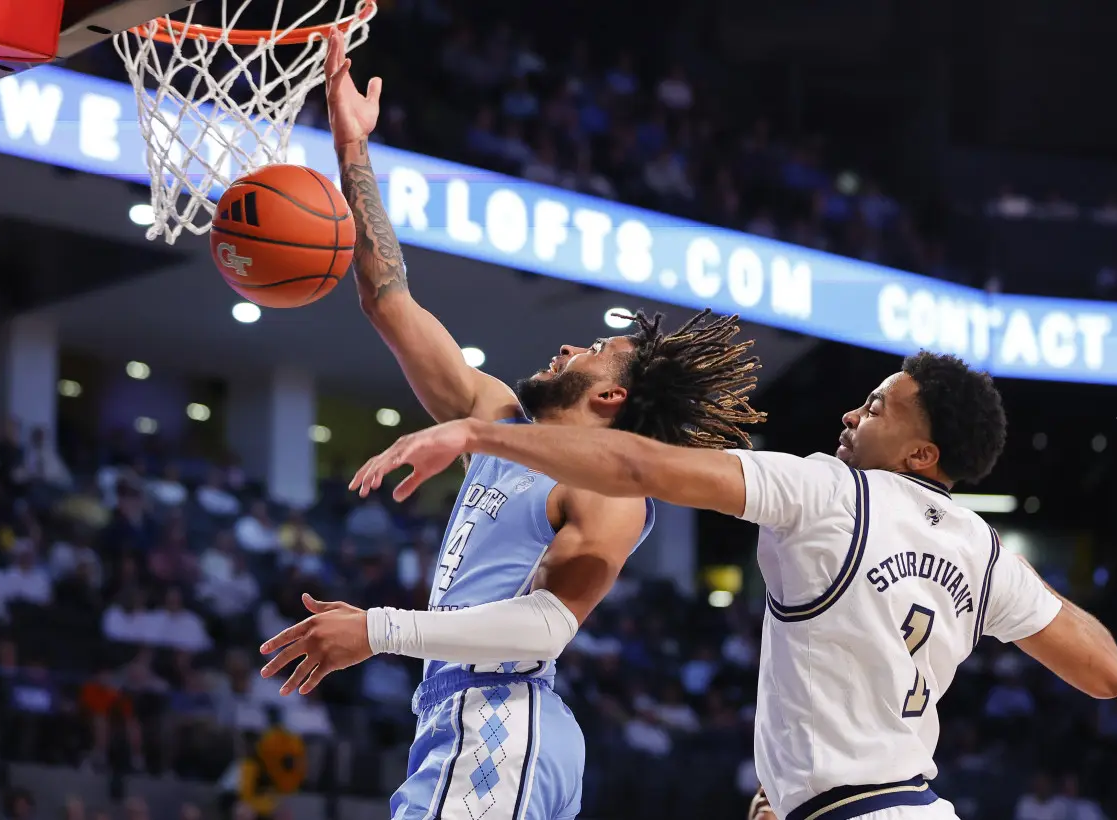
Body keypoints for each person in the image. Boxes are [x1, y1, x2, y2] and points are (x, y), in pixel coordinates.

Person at [258, 29, 766, 820]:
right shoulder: (497, 417)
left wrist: (379, 632)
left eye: (594, 352)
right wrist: (353, 149)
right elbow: (389, 300)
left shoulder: (607, 489)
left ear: (610, 403)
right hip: (467, 720)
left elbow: (546, 627)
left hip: (502, 715)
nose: (569, 346)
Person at [348, 350, 1117, 820]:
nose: (853, 413)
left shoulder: (827, 490)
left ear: (922, 454)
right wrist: (1019, 591)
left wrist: (481, 431)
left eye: (879, 407)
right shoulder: (982, 550)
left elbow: (639, 466)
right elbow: (1105, 671)